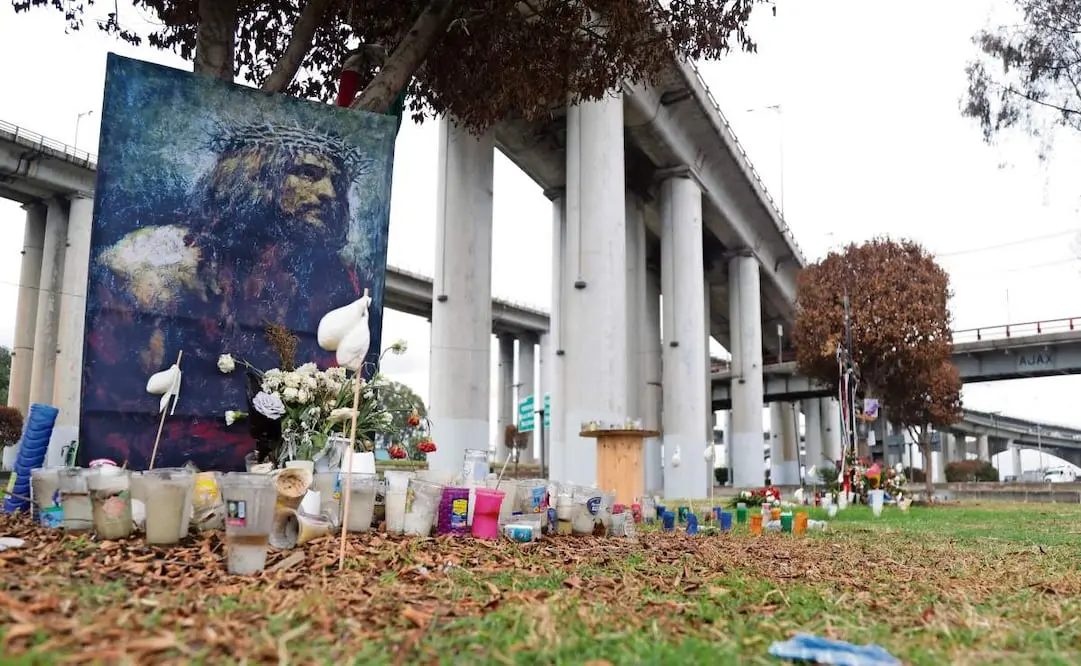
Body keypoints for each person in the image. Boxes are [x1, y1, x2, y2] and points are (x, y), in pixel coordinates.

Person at [81, 121, 384, 471]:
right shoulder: (165, 261)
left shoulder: (337, 280)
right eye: (307, 173)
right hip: (164, 468)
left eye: (337, 184)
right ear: (257, 174)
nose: (329, 193)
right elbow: (123, 391)